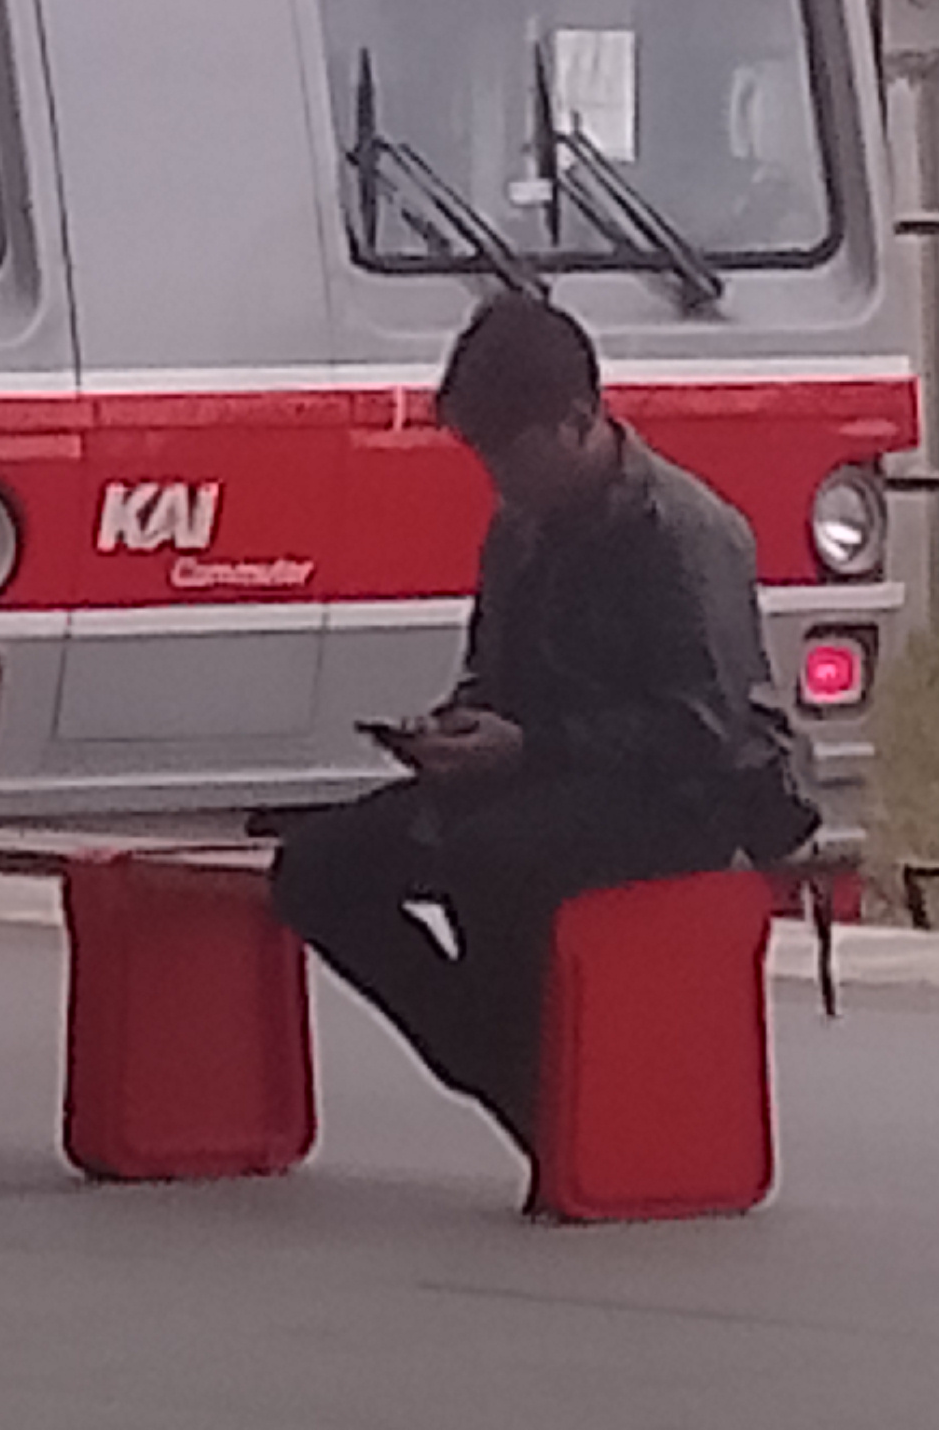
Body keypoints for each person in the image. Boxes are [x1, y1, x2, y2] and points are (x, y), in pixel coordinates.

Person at [269, 290, 815, 1176]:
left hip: (679, 802)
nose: (500, 480)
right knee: (319, 868)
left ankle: (549, 1101)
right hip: (543, 776)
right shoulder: (519, 527)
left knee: (493, 860)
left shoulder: (682, 533)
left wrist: (532, 748)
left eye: (510, 456)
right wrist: (456, 732)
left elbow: (707, 732)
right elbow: (494, 671)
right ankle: (510, 1076)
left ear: (577, 420)